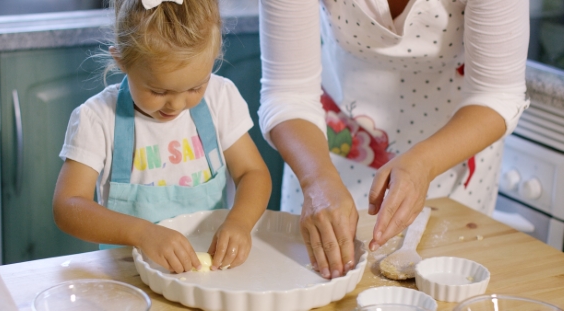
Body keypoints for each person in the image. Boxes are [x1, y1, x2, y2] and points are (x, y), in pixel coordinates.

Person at [258, 0, 529, 279]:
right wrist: (315, 178)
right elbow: (287, 92)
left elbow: (497, 93)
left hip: (455, 147)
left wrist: (424, 162)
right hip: (326, 150)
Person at [53, 0, 271, 274]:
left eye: (195, 87)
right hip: (129, 277)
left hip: (205, 277)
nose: (177, 105)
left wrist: (240, 222)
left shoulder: (220, 99)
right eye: (158, 92)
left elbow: (253, 173)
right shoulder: (98, 118)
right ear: (122, 61)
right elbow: (68, 205)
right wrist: (143, 234)